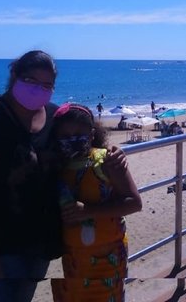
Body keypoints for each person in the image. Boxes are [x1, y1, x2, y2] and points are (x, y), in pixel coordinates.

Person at [0, 50, 127, 302]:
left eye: (47, 85)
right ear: (14, 75)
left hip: (41, 240)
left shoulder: (54, 116)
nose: (38, 89)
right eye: (31, 81)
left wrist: (112, 152)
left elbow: (81, 142)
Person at [49, 103, 141, 302]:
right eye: (66, 135)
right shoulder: (56, 166)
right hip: (73, 257)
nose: (73, 139)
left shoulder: (107, 160)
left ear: (91, 135)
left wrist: (88, 211)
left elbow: (134, 202)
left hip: (108, 255)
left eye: (79, 133)